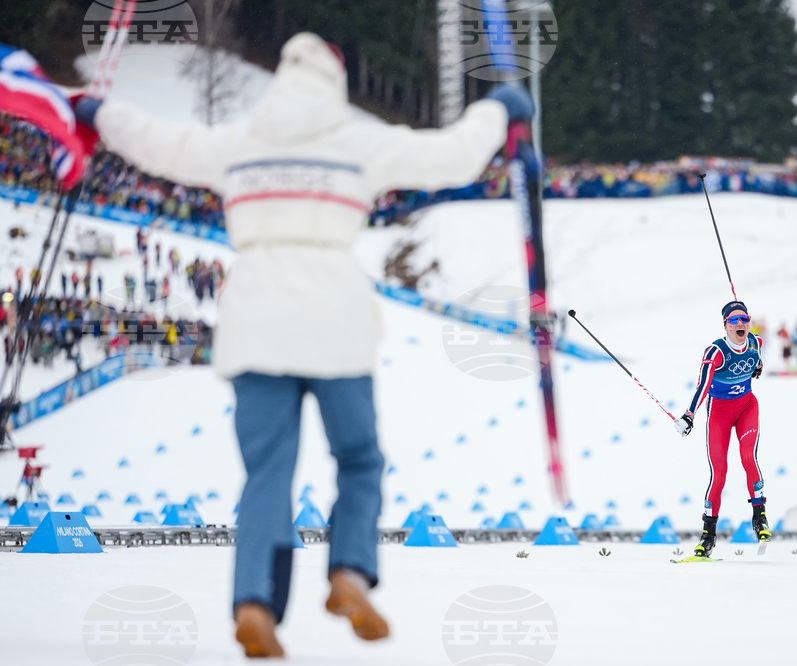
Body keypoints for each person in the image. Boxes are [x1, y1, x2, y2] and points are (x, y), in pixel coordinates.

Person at [76, 32, 521, 657]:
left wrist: (99, 114)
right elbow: (454, 156)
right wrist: (498, 108)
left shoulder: (239, 141)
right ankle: (347, 571)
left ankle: (255, 602)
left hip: (256, 316)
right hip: (334, 318)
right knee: (359, 459)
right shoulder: (357, 140)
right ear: (334, 81)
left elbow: (157, 142)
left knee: (267, 473)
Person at [674, 301, 769, 558]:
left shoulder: (756, 343)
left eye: (744, 319)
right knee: (719, 474)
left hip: (747, 407)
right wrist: (689, 416)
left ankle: (759, 517)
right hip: (719, 415)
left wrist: (758, 367)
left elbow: (757, 359)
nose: (740, 324)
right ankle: (708, 536)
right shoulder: (716, 351)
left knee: (748, 457)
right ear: (725, 325)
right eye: (734, 321)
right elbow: (702, 385)